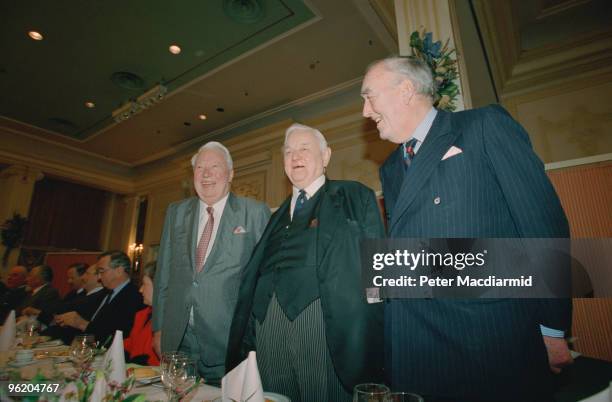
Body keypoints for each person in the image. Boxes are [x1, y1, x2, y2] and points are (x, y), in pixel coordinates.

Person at [361, 56, 572, 401]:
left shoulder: (483, 126)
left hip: (488, 341)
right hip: (414, 346)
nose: (365, 112)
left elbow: (543, 225)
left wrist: (551, 328)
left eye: (369, 96)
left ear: (406, 90)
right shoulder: (390, 169)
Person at [226, 124, 385, 402]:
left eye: (304, 149)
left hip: (322, 319)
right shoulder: (274, 215)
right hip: (267, 323)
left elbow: (378, 268)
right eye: (288, 152)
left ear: (325, 157)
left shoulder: (354, 196)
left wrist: (377, 327)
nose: (295, 156)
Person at [152, 141, 270, 384]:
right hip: (178, 340)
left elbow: (265, 281)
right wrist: (159, 327)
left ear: (231, 174)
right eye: (199, 168)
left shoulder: (255, 213)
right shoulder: (176, 213)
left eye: (214, 166)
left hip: (228, 342)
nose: (206, 174)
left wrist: (259, 339)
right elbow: (164, 274)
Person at [56, 251, 144, 345]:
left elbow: (119, 336)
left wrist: (82, 324)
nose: (99, 277)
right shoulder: (104, 294)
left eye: (102, 271)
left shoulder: (135, 297)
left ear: (119, 271)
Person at [41, 263, 106, 344]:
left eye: (87, 274)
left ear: (98, 277)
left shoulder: (99, 297)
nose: (82, 277)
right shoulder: (82, 294)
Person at [22, 262, 87, 320]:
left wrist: (37, 312)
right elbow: (57, 313)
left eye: (72, 278)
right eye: (68, 278)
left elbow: (53, 317)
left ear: (83, 277)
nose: (69, 281)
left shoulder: (86, 296)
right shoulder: (71, 294)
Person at [124, 261, 159, 365]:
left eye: (144, 284)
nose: (140, 290)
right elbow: (131, 344)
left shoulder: (172, 320)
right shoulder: (142, 314)